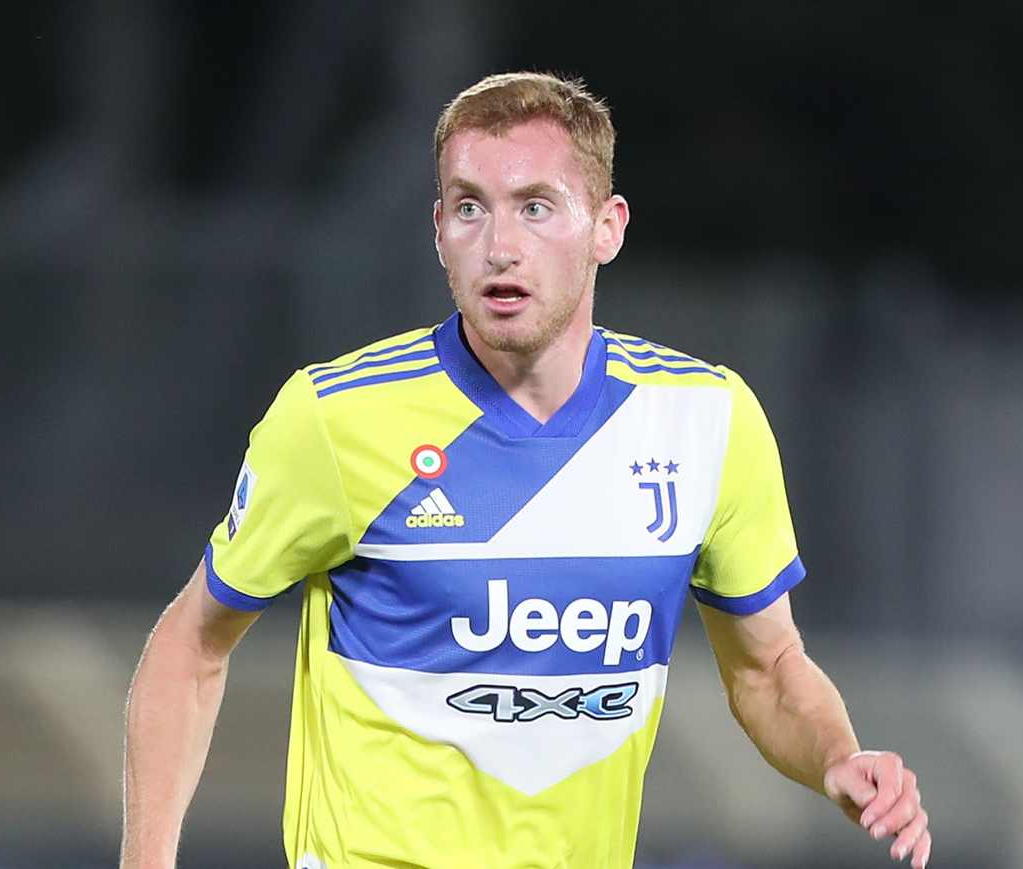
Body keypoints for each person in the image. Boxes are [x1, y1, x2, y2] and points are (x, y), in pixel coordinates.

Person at [119, 72, 931, 869]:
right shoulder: (335, 419)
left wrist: (837, 756)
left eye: (535, 207)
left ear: (607, 228)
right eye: (470, 207)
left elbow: (770, 669)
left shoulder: (705, 421)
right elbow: (193, 642)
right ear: (440, 230)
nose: (499, 246)